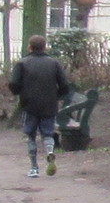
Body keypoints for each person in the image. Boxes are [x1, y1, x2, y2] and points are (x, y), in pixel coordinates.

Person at [7, 36, 74, 178]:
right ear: (45, 47)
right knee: (48, 133)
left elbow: (14, 84)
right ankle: (49, 151)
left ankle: (34, 168)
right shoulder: (54, 63)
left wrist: (20, 93)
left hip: (29, 104)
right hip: (49, 104)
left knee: (30, 135)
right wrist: (56, 95)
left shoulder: (22, 63)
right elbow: (64, 85)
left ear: (29, 47)